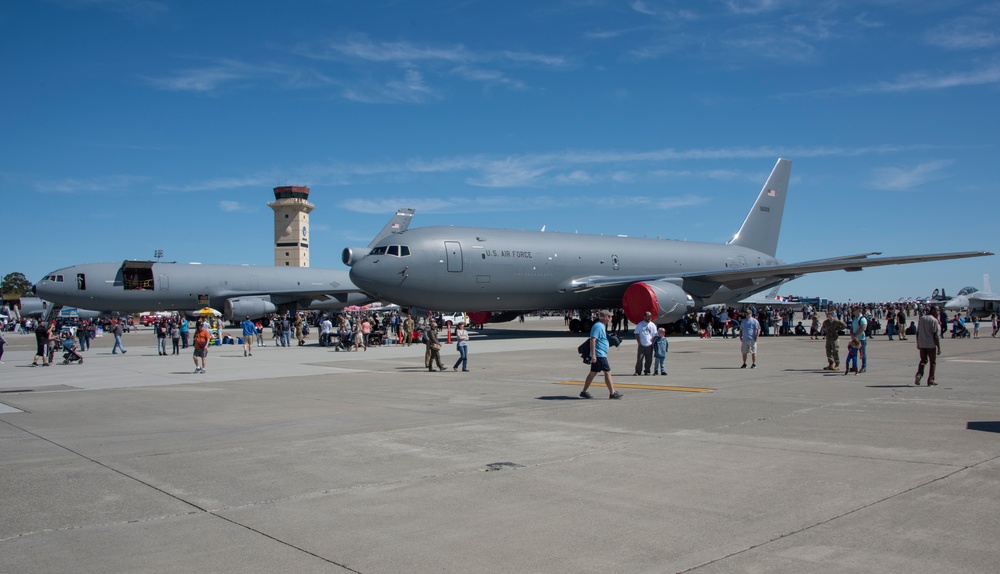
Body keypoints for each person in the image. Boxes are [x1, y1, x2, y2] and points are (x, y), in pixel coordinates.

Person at [580, 310, 623, 399]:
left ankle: (584, 392)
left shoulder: (601, 326)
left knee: (593, 373)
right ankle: (612, 393)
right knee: (607, 372)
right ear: (605, 317)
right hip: (599, 354)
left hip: (600, 354)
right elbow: (593, 340)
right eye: (609, 316)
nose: (610, 318)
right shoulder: (598, 326)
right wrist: (594, 355)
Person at [915, 307, 942, 386]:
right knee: (932, 363)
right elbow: (935, 335)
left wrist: (918, 343)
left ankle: (919, 375)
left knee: (923, 360)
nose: (938, 312)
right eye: (937, 310)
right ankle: (931, 380)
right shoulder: (934, 320)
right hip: (931, 345)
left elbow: (917, 332)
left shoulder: (922, 319)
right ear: (933, 311)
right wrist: (939, 347)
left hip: (922, 344)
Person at [633, 311, 657, 375]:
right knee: (640, 359)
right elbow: (636, 333)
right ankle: (638, 371)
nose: (649, 318)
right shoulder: (640, 324)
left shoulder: (652, 325)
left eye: (650, 317)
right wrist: (639, 342)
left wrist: (653, 343)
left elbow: (655, 335)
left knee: (649, 359)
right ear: (644, 317)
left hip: (649, 344)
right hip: (642, 344)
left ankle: (647, 371)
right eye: (647, 317)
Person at [850, 307, 868, 372]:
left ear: (859, 311)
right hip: (855, 339)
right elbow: (852, 327)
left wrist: (855, 334)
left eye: (854, 310)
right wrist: (851, 333)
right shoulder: (855, 319)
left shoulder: (862, 319)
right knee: (853, 353)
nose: (853, 312)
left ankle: (864, 367)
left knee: (862, 353)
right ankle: (854, 366)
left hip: (861, 339)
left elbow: (862, 328)